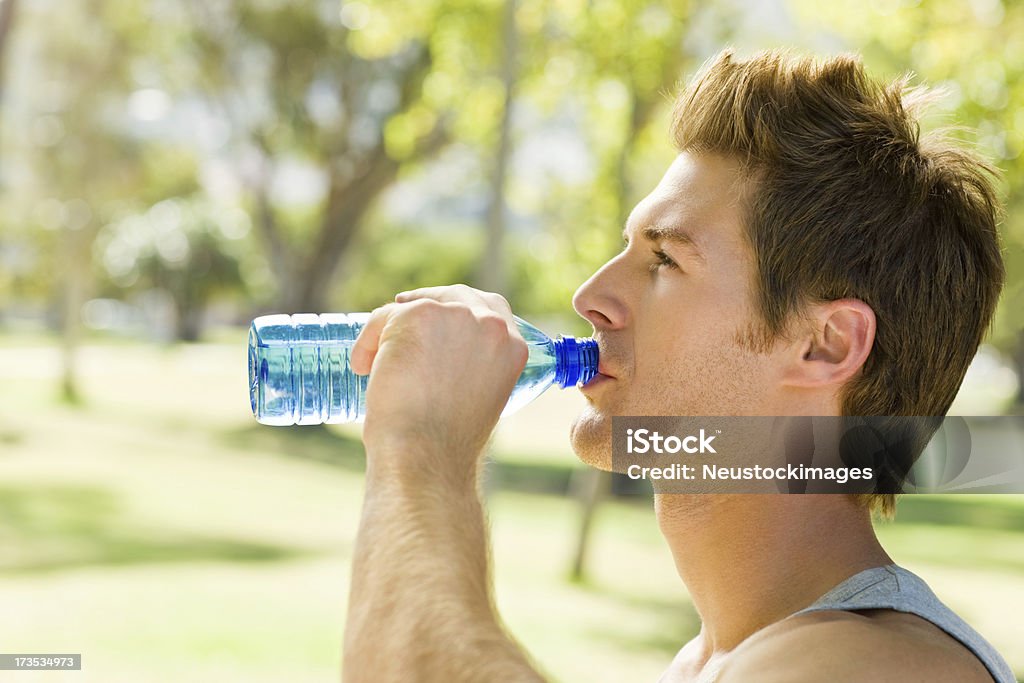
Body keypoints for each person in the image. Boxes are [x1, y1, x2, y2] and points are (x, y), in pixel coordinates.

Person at [341, 49, 1015, 682]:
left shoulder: (885, 665)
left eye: (665, 260)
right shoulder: (718, 658)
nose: (590, 297)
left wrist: (420, 446)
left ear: (826, 345)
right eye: (627, 248)